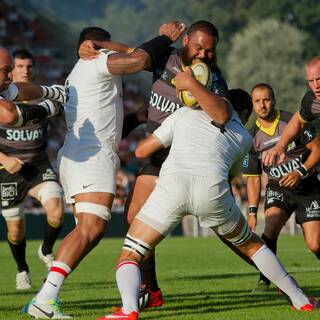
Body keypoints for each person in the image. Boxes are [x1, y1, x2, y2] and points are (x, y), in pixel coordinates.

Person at [99, 69, 317, 320]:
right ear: (245, 114)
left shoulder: (183, 114)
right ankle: (300, 299)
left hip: (173, 185)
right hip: (212, 191)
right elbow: (230, 175)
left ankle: (129, 310)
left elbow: (141, 151)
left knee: (131, 252)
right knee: (253, 246)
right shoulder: (244, 136)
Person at [22, 22, 187, 319]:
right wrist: (164, 37)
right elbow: (140, 60)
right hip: (90, 157)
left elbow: (109, 126)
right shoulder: (95, 62)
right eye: (107, 45)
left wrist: (137, 117)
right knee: (91, 229)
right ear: (95, 46)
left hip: (81, 155)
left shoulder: (80, 73)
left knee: (87, 230)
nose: (114, 50)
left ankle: (47, 296)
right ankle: (45, 299)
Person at [122, 20, 230, 309]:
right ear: (186, 42)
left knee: (230, 233)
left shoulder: (213, 77)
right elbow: (130, 52)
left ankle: (274, 276)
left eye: (210, 50)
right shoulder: (163, 57)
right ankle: (150, 290)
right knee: (133, 218)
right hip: (158, 157)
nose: (204, 55)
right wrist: (97, 46)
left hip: (187, 159)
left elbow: (222, 115)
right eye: (199, 48)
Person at [242, 83, 320, 291]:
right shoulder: (251, 138)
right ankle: (266, 278)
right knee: (272, 223)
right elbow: (253, 178)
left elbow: (318, 150)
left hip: (307, 186)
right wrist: (251, 212)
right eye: (257, 101)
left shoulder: (292, 122)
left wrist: (300, 172)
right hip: (279, 188)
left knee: (315, 244)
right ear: (252, 105)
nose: (262, 105)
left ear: (274, 100)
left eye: (266, 99)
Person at [0, 49, 65, 290]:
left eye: (29, 66)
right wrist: (5, 159)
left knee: (56, 208)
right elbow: (7, 114)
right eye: (12, 69)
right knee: (15, 230)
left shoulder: (15, 89)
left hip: (37, 164)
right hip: (7, 168)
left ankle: (46, 251)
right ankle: (21, 269)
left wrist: (53, 95)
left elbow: (19, 91)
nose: (20, 72)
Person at [262, 56, 320, 167]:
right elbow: (298, 120)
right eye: (311, 81)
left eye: (319, 79)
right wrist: (280, 146)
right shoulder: (311, 102)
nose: (316, 86)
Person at [0, 47, 66, 126]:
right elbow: (10, 115)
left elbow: (18, 90)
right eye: (6, 70)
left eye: (11, 70)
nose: (10, 76)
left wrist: (55, 92)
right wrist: (48, 108)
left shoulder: (5, 88)